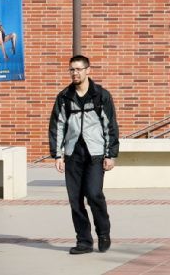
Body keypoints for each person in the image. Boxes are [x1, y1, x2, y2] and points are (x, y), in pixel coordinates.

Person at [49, 55, 119, 255]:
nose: (75, 73)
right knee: (75, 199)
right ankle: (84, 241)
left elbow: (110, 126)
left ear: (88, 70)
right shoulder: (64, 97)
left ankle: (103, 233)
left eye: (79, 69)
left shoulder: (101, 95)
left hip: (95, 153)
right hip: (73, 153)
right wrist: (58, 155)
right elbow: (58, 126)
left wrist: (110, 154)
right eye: (72, 69)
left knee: (94, 194)